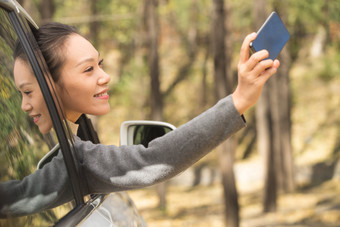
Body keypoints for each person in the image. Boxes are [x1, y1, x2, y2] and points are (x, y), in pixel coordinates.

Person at [0, 22, 280, 217]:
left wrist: (239, 100)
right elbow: (153, 159)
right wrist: (238, 101)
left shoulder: (72, 154)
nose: (104, 76)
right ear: (53, 85)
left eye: (100, 64)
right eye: (88, 69)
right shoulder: (73, 162)